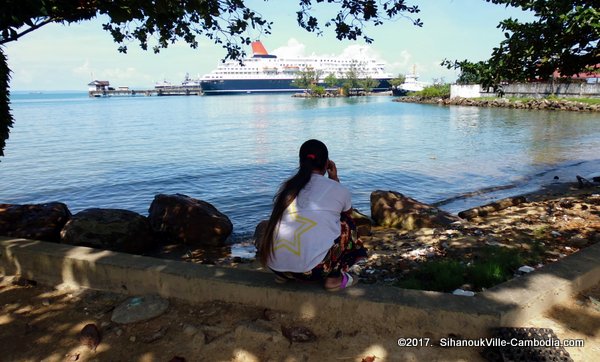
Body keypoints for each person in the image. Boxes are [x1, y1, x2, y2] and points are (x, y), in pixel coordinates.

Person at [257, 139, 367, 291]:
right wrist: (334, 179)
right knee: (347, 222)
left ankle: (284, 273)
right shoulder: (338, 189)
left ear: (301, 162)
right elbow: (346, 213)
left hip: (275, 266)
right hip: (312, 272)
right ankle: (334, 278)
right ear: (326, 163)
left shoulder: (287, 188)